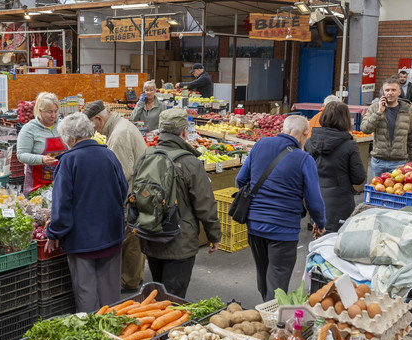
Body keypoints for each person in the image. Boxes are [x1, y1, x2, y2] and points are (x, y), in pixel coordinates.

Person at [236, 115, 326, 301]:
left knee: (263, 274)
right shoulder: (304, 159)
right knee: (277, 279)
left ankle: (266, 310)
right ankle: (272, 320)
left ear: (284, 129)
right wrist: (320, 222)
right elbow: (314, 199)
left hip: (255, 225)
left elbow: (241, 179)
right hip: (283, 230)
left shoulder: (260, 144)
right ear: (305, 133)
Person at [44, 113, 128, 313]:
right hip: (112, 236)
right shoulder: (109, 155)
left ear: (70, 139)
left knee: (86, 293)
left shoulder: (68, 161)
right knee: (111, 294)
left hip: (82, 242)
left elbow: (61, 205)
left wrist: (54, 233)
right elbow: (123, 189)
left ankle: (93, 337)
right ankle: (114, 334)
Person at [136, 109, 220, 297]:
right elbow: (205, 204)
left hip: (150, 234)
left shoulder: (145, 156)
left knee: (156, 294)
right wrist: (213, 235)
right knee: (174, 298)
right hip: (179, 241)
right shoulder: (190, 163)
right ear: (184, 132)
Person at [83, 100, 147, 292]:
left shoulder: (119, 136)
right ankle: (134, 277)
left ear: (98, 119)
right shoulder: (121, 127)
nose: (94, 132)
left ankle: (129, 282)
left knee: (130, 239)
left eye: (92, 126)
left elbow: (121, 174)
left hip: (131, 196)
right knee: (133, 238)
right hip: (136, 193)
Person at [304, 102, 366, 232]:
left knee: (319, 241)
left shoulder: (309, 142)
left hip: (315, 201)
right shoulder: (349, 145)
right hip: (340, 203)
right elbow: (359, 178)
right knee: (336, 244)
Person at [360, 77, 412, 179]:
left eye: (393, 90)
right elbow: (365, 129)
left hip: (399, 162)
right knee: (376, 192)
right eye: (387, 90)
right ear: (383, 92)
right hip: (378, 161)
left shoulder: (407, 109)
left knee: (396, 192)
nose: (390, 93)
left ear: (399, 92)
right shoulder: (374, 107)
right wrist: (378, 112)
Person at [16, 92, 65, 195]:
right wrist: (41, 159)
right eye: (49, 112)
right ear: (40, 111)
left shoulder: (63, 126)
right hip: (38, 185)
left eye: (56, 111)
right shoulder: (29, 129)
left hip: (63, 182)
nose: (54, 115)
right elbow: (21, 155)